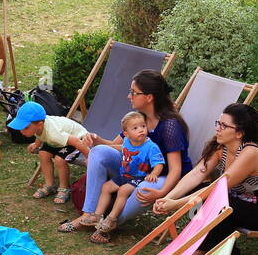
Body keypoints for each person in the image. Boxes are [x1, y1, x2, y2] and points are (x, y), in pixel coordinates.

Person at [59, 70, 192, 239]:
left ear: (149, 97)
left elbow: (175, 169)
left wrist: (162, 193)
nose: (129, 96)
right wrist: (97, 140)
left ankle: (109, 224)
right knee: (98, 152)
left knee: (145, 188)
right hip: (135, 169)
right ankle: (89, 215)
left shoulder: (170, 126)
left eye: (133, 93)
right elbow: (118, 147)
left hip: (161, 176)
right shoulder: (137, 118)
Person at [151, 102, 258, 252]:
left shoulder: (250, 153)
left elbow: (219, 188)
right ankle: (204, 245)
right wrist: (168, 198)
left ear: (239, 133)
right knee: (199, 191)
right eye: (218, 123)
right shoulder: (221, 147)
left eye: (224, 126)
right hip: (237, 202)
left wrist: (176, 204)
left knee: (218, 203)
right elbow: (196, 174)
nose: (217, 129)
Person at [8, 101, 108, 206]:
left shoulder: (53, 133)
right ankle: (50, 185)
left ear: (40, 124)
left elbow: (77, 142)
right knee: (43, 154)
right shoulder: (39, 127)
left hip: (77, 139)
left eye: (25, 127)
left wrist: (90, 156)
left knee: (59, 160)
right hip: (57, 142)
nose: (21, 131)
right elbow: (40, 135)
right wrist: (36, 144)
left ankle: (64, 188)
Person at [87, 110, 166, 242]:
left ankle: (111, 218)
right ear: (126, 134)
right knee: (106, 187)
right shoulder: (128, 142)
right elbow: (122, 148)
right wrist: (106, 146)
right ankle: (97, 215)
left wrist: (153, 174)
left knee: (123, 191)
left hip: (138, 177)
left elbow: (159, 164)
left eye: (143, 126)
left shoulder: (151, 146)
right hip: (124, 174)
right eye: (135, 128)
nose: (141, 130)